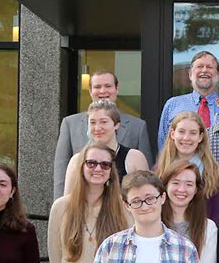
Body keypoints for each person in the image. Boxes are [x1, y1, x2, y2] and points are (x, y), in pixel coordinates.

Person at [55, 69, 152, 198]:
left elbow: (146, 185)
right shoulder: (69, 124)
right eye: (97, 87)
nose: (102, 91)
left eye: (107, 86)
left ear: (116, 89)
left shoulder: (138, 126)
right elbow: (61, 169)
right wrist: (59, 204)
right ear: (90, 91)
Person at [155, 111, 219, 223]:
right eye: (181, 132)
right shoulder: (159, 170)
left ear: (200, 137)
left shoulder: (214, 172)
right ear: (172, 134)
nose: (186, 138)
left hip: (202, 235)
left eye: (193, 133)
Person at [63, 101, 149, 194]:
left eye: (103, 122)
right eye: (92, 122)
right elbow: (68, 202)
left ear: (116, 125)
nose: (97, 128)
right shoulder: (77, 161)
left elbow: (146, 197)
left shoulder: (134, 158)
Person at [157, 51, 219, 151]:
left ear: (217, 75)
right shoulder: (173, 104)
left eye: (209, 67)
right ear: (190, 74)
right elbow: (163, 145)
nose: (204, 70)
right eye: (200, 66)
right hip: (179, 166)